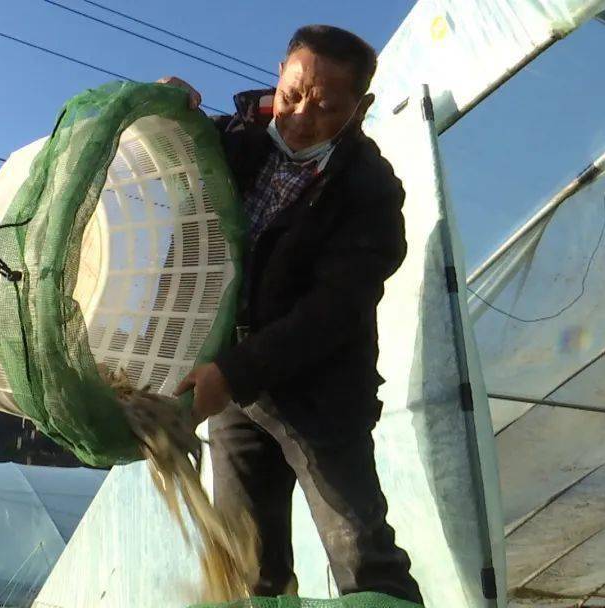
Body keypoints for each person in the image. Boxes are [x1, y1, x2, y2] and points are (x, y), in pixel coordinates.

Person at [163, 25, 422, 602]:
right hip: (236, 390)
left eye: (326, 106)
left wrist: (230, 374)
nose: (300, 117)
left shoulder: (370, 190)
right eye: (292, 95)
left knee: (362, 552)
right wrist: (171, 105)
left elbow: (334, 311)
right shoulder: (241, 141)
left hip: (318, 392)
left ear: (361, 109)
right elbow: (188, 140)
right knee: (249, 564)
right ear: (278, 79)